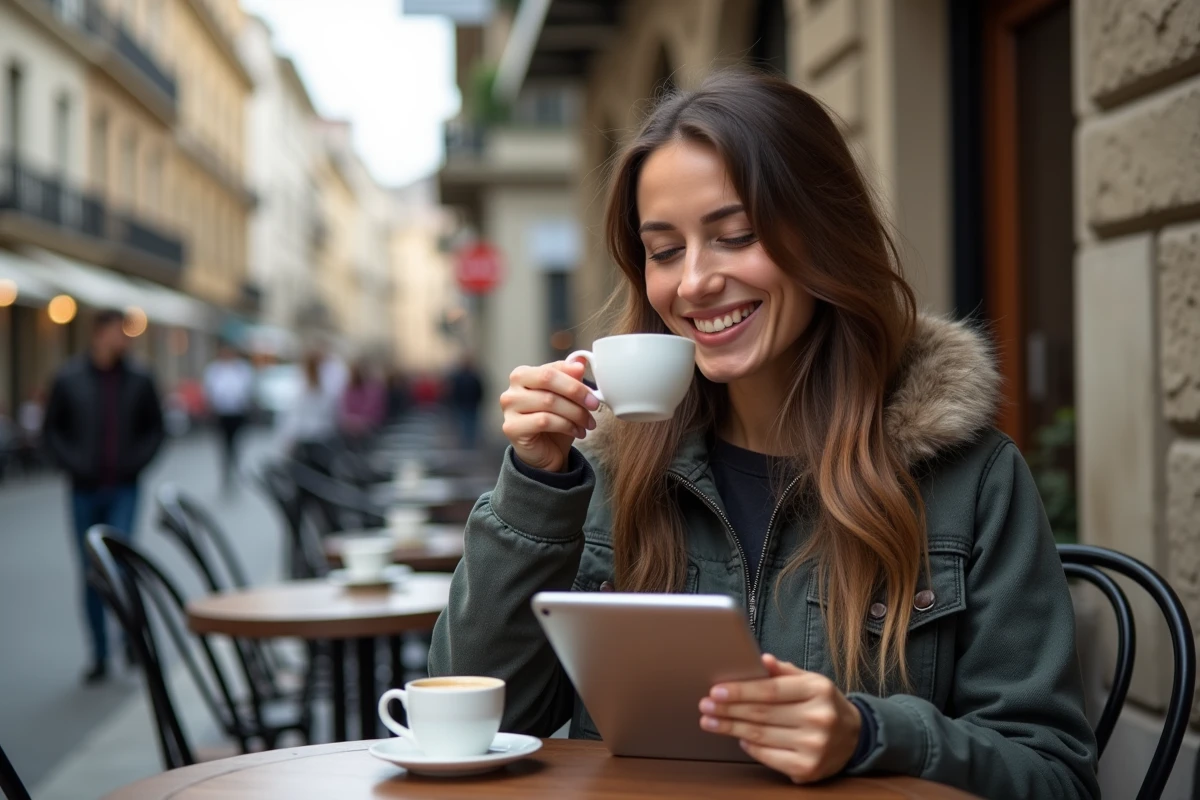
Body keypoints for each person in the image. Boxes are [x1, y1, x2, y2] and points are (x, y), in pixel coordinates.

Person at [429, 71, 1098, 799]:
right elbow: (482, 715)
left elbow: (1054, 776)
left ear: (825, 234)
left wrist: (873, 735)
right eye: (665, 250)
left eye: (736, 236)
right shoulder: (610, 475)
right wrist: (537, 483)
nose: (694, 283)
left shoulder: (970, 479)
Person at [44, 308, 165, 684]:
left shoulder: (140, 379)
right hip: (83, 488)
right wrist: (72, 464)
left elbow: (155, 429)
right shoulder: (69, 378)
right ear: (98, 334)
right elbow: (52, 431)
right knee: (91, 572)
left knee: (121, 566)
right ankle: (98, 652)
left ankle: (131, 641)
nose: (122, 339)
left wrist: (136, 463)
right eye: (116, 332)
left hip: (124, 486)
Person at [203, 342, 256, 490]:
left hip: (238, 412)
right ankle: (226, 471)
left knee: (236, 442)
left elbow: (247, 389)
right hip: (221, 413)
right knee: (223, 444)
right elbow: (210, 390)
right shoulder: (214, 369)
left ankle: (234, 467)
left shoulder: (242, 369)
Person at [276, 352, 337, 461]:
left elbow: (294, 416)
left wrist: (287, 438)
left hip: (304, 437)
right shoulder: (324, 387)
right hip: (319, 436)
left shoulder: (301, 388)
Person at [339, 361, 386, 443]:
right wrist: (351, 422)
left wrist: (360, 423)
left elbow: (373, 411)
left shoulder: (374, 389)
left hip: (370, 430)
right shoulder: (348, 390)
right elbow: (345, 410)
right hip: (350, 430)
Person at [446, 354, 485, 449]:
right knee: (466, 424)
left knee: (469, 424)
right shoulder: (464, 376)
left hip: (471, 404)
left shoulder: (471, 376)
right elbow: (455, 390)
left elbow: (480, 389)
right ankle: (466, 442)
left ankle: (469, 442)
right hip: (464, 404)